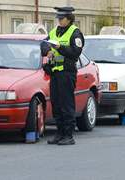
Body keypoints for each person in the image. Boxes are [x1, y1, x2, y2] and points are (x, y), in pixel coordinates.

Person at [40, 6, 84, 145]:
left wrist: (60, 48)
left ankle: (68, 135)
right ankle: (59, 133)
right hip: (55, 72)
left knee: (66, 104)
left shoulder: (75, 33)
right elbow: (43, 43)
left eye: (62, 18)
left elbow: (75, 52)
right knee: (56, 103)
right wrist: (47, 51)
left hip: (67, 73)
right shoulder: (55, 31)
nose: (59, 20)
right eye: (58, 18)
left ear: (69, 19)